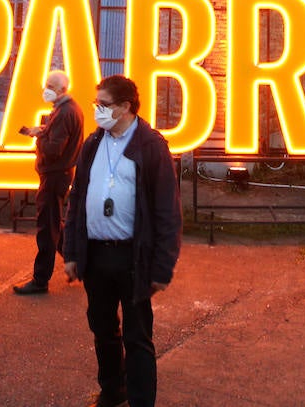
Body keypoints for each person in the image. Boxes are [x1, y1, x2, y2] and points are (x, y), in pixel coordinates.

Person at [63, 74, 181, 407]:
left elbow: (167, 213)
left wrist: (162, 267)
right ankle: (113, 390)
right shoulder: (93, 143)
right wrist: (72, 252)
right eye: (96, 104)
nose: (97, 110)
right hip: (97, 256)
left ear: (126, 107)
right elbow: (77, 199)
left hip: (133, 258)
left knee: (138, 338)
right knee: (102, 329)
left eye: (103, 105)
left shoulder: (151, 146)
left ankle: (142, 400)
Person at [13, 69, 84, 296]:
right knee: (54, 224)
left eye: (51, 87)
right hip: (58, 174)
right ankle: (80, 265)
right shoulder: (67, 110)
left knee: (47, 228)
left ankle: (40, 280)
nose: (47, 90)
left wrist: (39, 137)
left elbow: (54, 149)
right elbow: (57, 138)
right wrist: (43, 130)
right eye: (47, 85)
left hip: (55, 174)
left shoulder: (64, 113)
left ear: (63, 90)